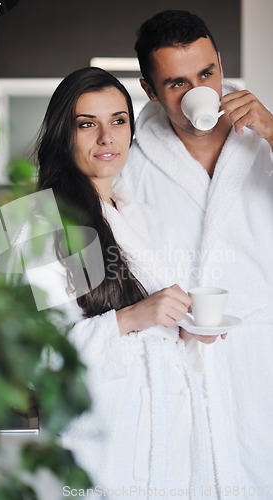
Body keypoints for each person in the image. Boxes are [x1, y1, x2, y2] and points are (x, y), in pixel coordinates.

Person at [7, 67, 222, 499]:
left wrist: (186, 328)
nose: (107, 137)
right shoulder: (42, 222)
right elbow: (37, 359)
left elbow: (158, 331)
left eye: (118, 120)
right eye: (87, 124)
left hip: (170, 447)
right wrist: (130, 318)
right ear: (61, 133)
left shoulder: (142, 215)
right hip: (101, 454)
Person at [122, 9, 273, 499]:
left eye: (207, 74)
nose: (196, 92)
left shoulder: (264, 138)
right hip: (173, 369)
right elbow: (65, 230)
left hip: (260, 363)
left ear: (221, 63)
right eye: (176, 83)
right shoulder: (129, 156)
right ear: (149, 89)